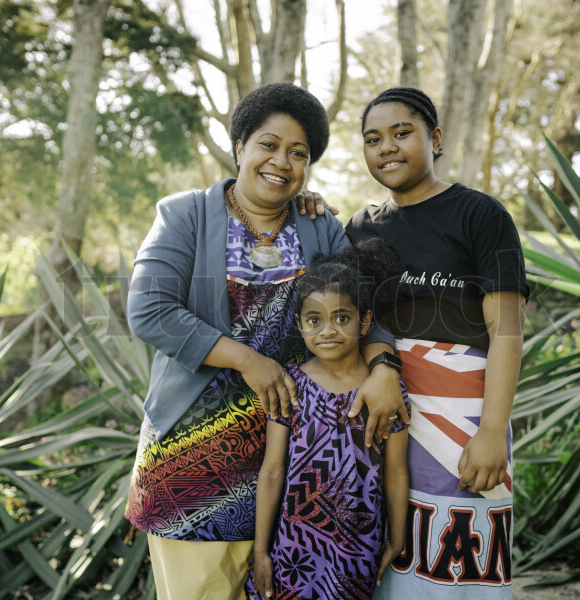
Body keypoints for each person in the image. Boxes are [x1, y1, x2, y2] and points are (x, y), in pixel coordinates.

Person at [124, 82, 406, 600]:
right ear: (240, 148)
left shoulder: (318, 229)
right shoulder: (185, 215)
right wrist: (246, 360)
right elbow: (149, 310)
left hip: (298, 476)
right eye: (269, 144)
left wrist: (385, 365)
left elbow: (367, 308)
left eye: (298, 153)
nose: (282, 161)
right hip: (194, 469)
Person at [345, 87, 528, 599]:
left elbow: (508, 330)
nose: (386, 147)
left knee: (459, 562)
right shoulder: (358, 227)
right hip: (386, 417)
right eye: (372, 139)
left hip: (466, 417)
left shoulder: (480, 215)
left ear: (436, 138)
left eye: (402, 133)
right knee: (394, 555)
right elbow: (352, 320)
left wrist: (492, 431)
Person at [247, 240, 411, 600]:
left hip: (357, 551)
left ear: (365, 320)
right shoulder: (290, 386)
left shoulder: (385, 392)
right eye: (314, 320)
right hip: (293, 551)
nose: (328, 330)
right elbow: (272, 470)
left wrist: (397, 538)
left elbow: (396, 470)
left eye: (342, 317)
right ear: (300, 324)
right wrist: (261, 551)